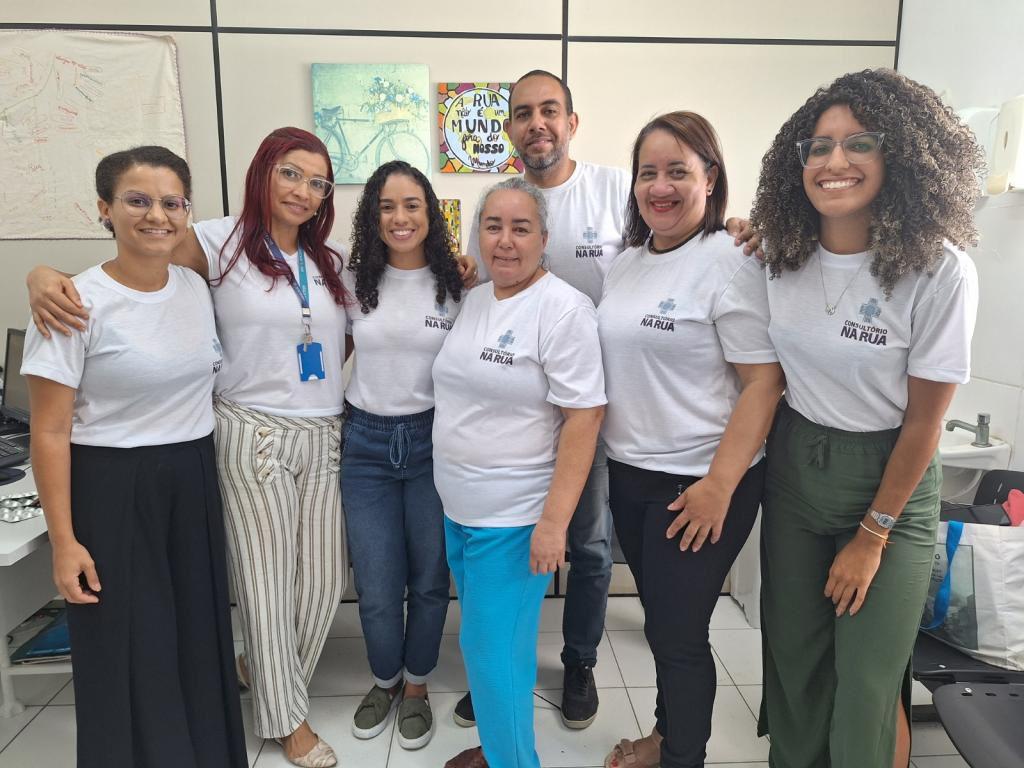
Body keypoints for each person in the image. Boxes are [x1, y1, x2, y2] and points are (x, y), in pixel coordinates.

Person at [26, 127, 353, 767]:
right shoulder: (217, 241)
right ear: (262, 173)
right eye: (289, 173)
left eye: (317, 182)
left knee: (321, 588)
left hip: (322, 433)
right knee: (263, 589)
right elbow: (130, 259)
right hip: (250, 431)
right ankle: (286, 720)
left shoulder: (332, 259)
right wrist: (43, 276)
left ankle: (262, 672)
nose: (302, 190)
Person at [461, 70, 759, 729]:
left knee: (590, 547)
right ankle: (501, 666)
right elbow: (484, 289)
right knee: (513, 541)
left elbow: (679, 247)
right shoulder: (499, 200)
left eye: (550, 110)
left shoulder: (611, 190)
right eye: (522, 113)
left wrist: (736, 227)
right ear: (509, 129)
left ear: (571, 123)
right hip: (521, 412)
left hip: (597, 410)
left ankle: (579, 663)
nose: (537, 123)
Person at [750, 68, 981, 768]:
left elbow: (924, 425)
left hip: (890, 486)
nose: (834, 162)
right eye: (818, 147)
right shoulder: (778, 256)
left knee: (867, 684)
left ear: (901, 155)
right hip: (796, 470)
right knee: (795, 665)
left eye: (859, 143)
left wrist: (872, 535)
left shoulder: (938, 271)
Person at [21, 146, 247, 768]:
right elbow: (49, 431)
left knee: (198, 636)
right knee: (128, 644)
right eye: (138, 201)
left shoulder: (194, 287)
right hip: (113, 488)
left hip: (193, 477)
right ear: (105, 209)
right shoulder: (73, 303)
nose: (157, 216)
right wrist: (63, 541)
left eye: (172, 203)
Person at [598, 112, 784, 768]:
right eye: (648, 172)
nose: (660, 186)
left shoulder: (731, 260)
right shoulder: (626, 264)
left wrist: (718, 487)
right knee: (662, 624)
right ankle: (665, 737)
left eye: (678, 171)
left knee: (678, 635)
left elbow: (764, 384)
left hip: (701, 482)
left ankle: (683, 756)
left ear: (710, 177)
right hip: (631, 474)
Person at [434, 177, 606, 768]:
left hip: (511, 520)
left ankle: (511, 760)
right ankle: (498, 750)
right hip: (460, 512)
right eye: (493, 226)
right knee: (493, 652)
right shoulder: (478, 298)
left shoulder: (564, 310)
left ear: (544, 239)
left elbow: (584, 418)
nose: (505, 241)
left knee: (491, 654)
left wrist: (554, 524)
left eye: (520, 228)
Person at [340, 160, 464, 749]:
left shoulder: (457, 283)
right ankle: (385, 679)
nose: (399, 217)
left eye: (411, 204)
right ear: (372, 216)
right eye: (386, 206)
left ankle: (416, 685)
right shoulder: (350, 280)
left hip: (434, 442)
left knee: (431, 578)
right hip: (365, 444)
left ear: (430, 212)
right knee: (377, 581)